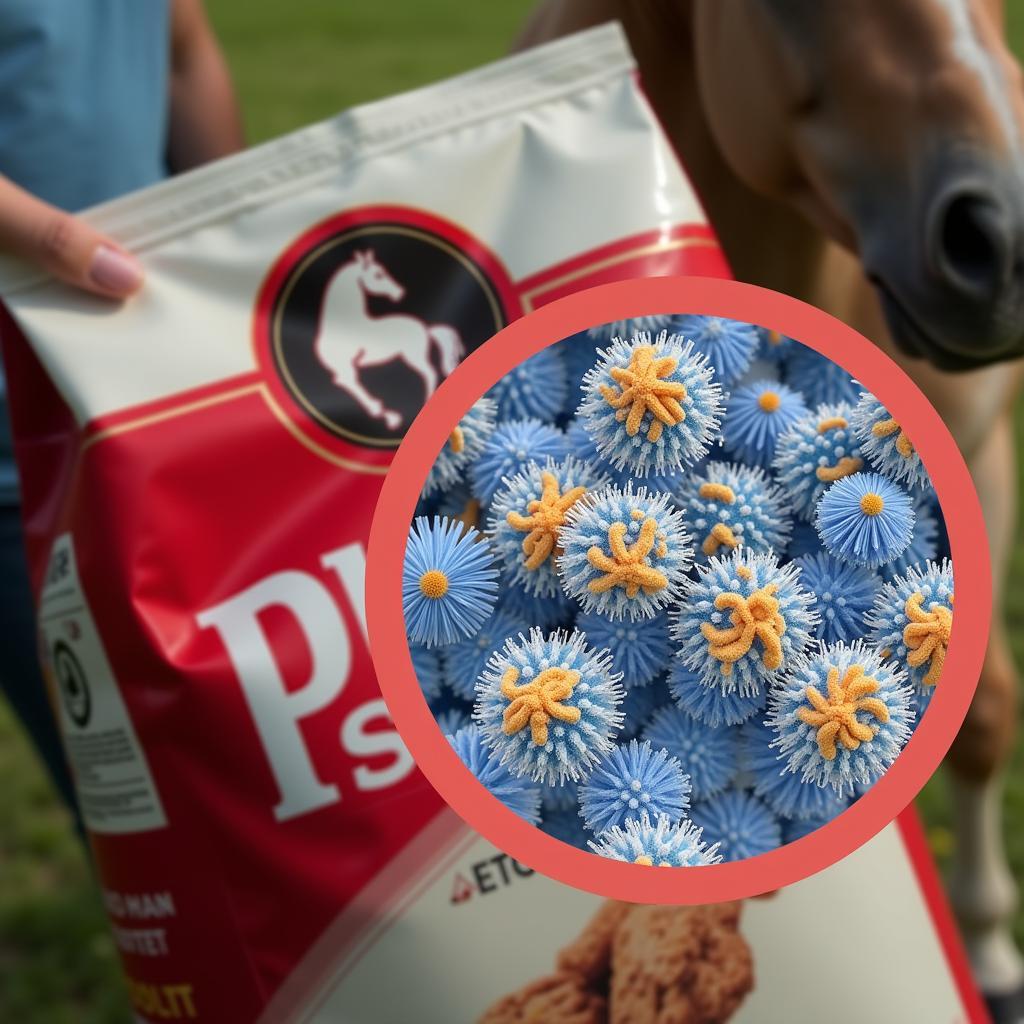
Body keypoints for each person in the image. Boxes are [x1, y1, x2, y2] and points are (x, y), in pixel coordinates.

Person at [0, 0, 243, 833]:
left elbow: (178, 35)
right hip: (23, 469)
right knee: (153, 818)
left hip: (158, 409)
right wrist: (50, 238)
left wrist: (240, 240)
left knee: (261, 775)